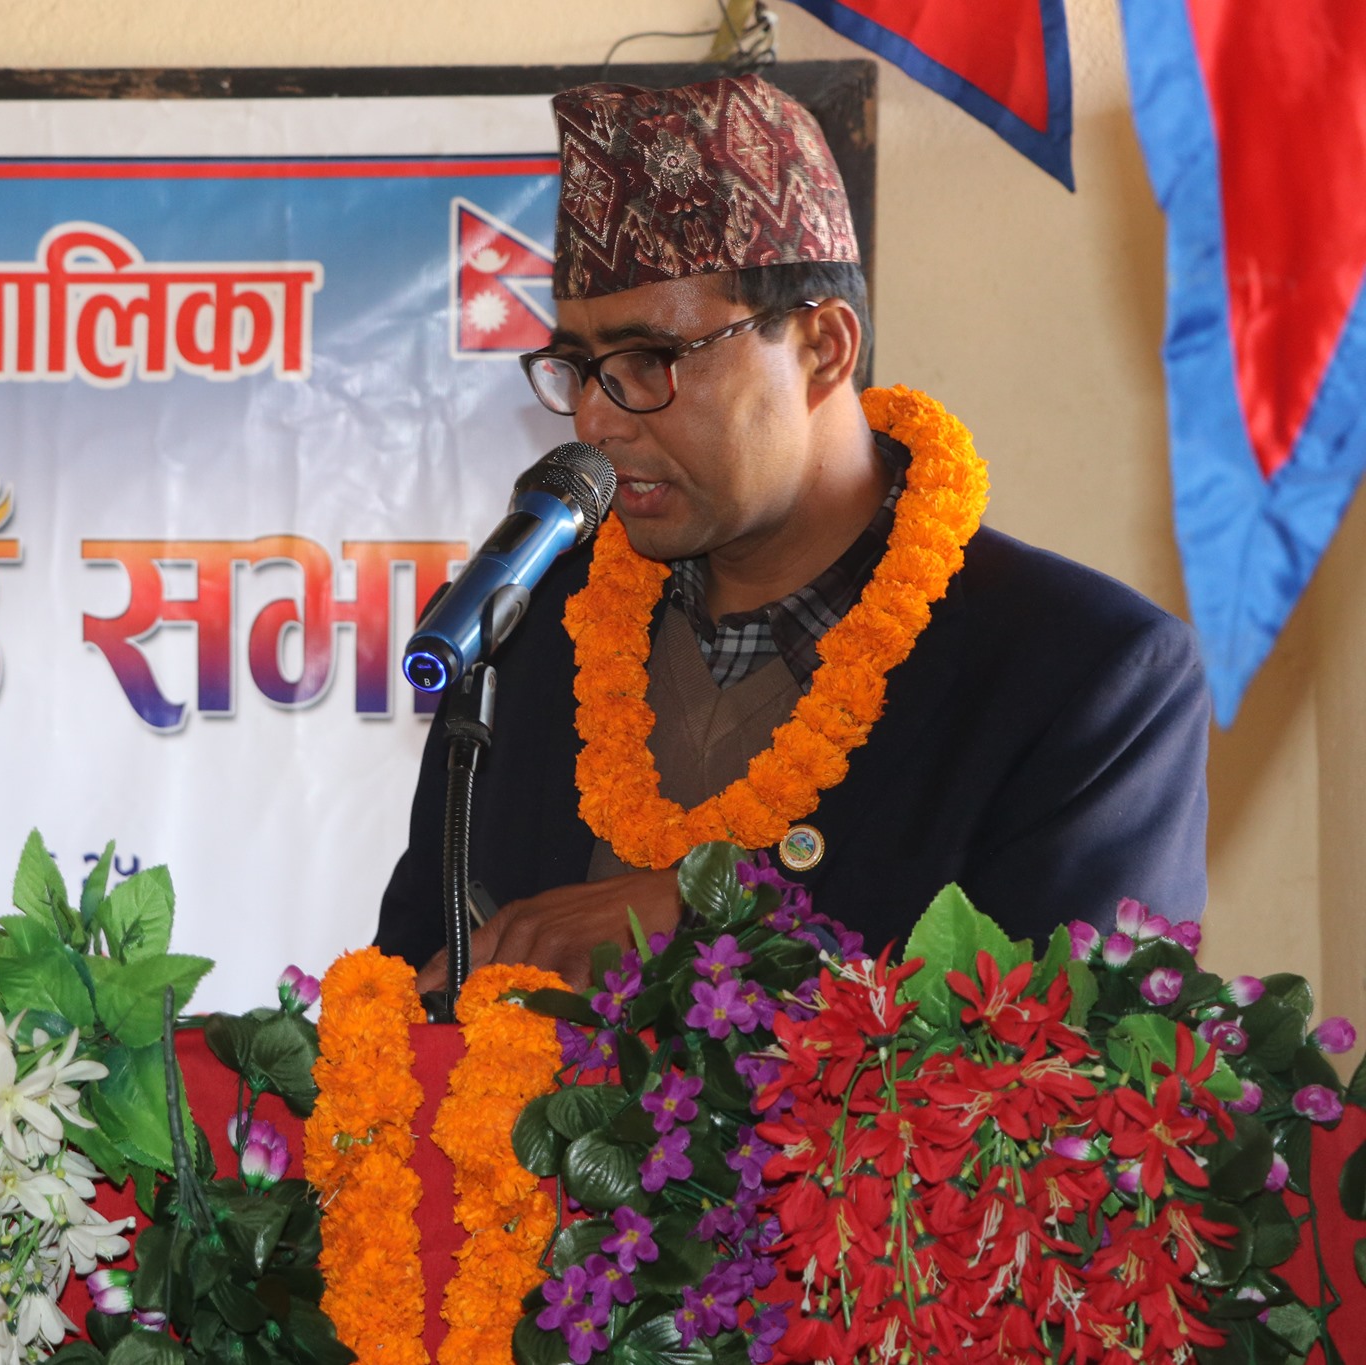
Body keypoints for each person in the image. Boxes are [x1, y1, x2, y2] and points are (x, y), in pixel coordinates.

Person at [375, 75, 1209, 990]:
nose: (596, 419)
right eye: (577, 365)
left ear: (824, 348)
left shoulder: (1083, 674)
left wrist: (703, 920)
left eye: (648, 359)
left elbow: (1066, 1049)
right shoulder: (526, 632)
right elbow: (406, 986)